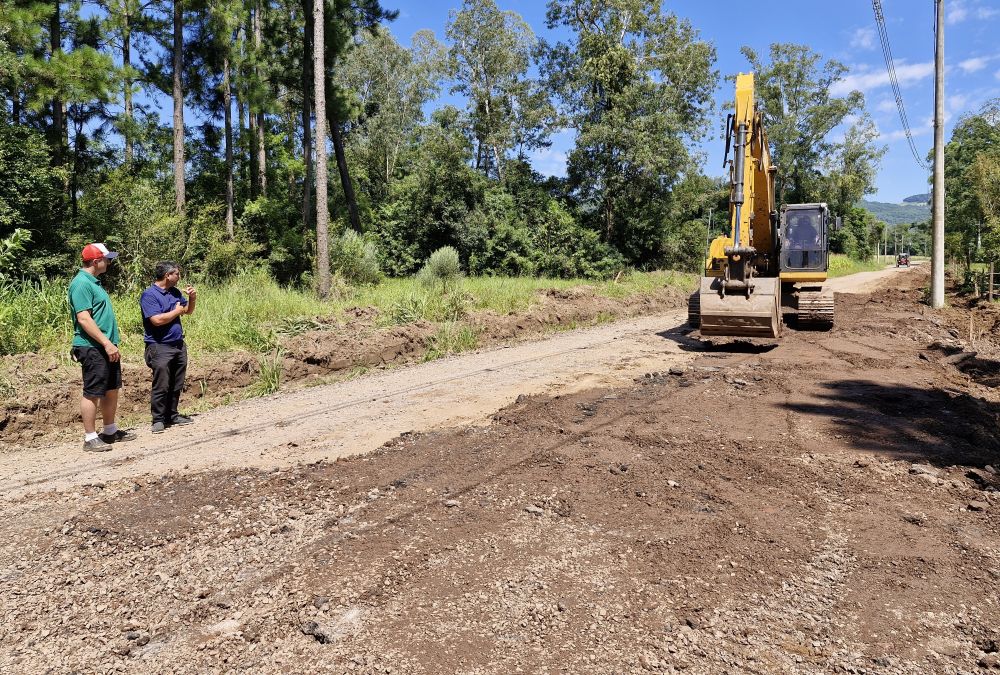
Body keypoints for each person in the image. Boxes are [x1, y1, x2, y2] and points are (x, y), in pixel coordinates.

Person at [68, 243, 137, 452]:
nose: (109, 262)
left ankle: (109, 431)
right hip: (92, 346)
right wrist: (106, 343)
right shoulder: (81, 284)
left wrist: (110, 343)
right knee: (93, 391)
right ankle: (90, 438)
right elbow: (84, 318)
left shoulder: (94, 282)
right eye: (107, 258)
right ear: (96, 260)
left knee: (110, 389)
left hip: (106, 346)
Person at [139, 261, 197, 433]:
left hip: (178, 344)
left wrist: (192, 299)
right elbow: (156, 320)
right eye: (177, 274)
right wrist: (176, 312)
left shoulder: (175, 292)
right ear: (168, 275)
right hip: (159, 346)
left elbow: (188, 311)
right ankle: (158, 419)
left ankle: (172, 414)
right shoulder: (149, 295)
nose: (179, 277)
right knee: (161, 384)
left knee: (177, 382)